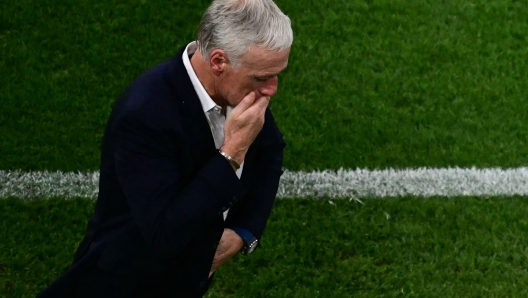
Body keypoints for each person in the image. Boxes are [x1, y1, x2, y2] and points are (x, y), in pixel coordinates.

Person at [37, 0, 293, 297]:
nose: (272, 89)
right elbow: (164, 236)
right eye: (262, 77)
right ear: (219, 62)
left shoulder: (240, 90)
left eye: (277, 75)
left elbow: (270, 151)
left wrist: (243, 233)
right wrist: (232, 154)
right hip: (128, 284)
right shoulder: (144, 115)